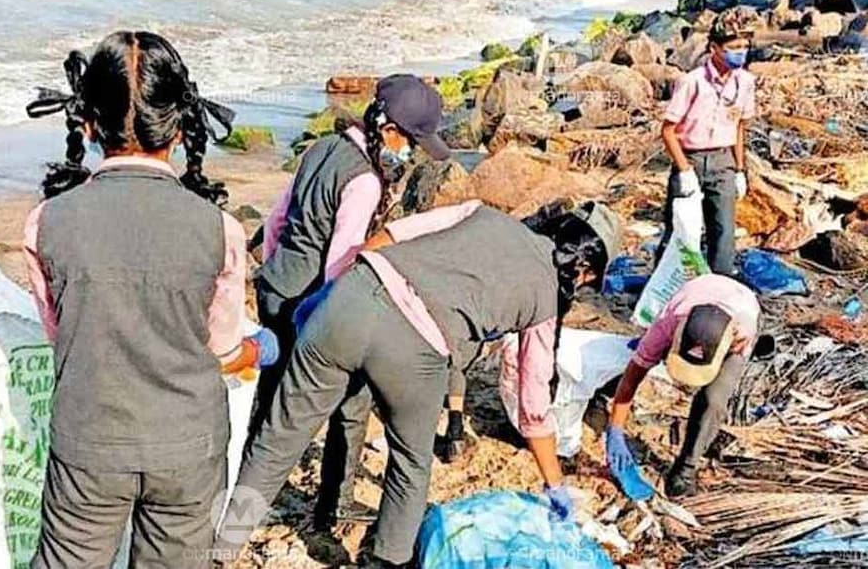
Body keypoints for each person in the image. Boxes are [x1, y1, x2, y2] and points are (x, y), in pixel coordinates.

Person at [216, 200, 620, 568]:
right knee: (410, 464)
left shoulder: (487, 214)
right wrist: (554, 485)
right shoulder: (545, 302)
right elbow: (533, 405)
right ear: (583, 271)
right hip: (415, 348)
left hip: (352, 299)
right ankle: (384, 561)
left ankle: (220, 549)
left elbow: (390, 235)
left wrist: (335, 294)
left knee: (275, 444)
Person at [22, 31, 276, 569]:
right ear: (182, 128)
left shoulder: (46, 223)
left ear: (87, 124)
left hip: (89, 441)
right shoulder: (221, 230)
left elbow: (61, 334)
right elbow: (221, 350)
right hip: (188, 444)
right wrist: (258, 352)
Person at [257, 73, 451, 529]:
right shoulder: (364, 181)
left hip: (275, 286)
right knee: (351, 404)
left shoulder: (320, 149)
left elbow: (275, 222)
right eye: (411, 143)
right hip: (312, 299)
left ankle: (247, 497)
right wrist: (334, 327)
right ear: (388, 131)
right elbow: (342, 261)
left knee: (270, 399)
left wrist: (277, 274)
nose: (410, 154)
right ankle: (332, 507)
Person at [606, 274, 761, 499]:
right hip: (696, 293)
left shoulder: (742, 332)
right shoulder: (667, 324)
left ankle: (687, 466)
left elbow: (718, 390)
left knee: (713, 399)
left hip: (739, 307)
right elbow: (631, 379)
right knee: (647, 352)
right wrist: (615, 430)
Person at [659, 9, 757, 276]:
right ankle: (665, 288)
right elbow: (668, 130)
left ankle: (717, 288)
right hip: (689, 158)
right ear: (715, 47)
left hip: (723, 161)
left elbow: (739, 127)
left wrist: (740, 170)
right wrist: (684, 170)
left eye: (745, 46)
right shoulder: (693, 82)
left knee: (723, 231)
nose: (741, 52)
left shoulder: (745, 83)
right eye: (734, 47)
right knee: (679, 229)